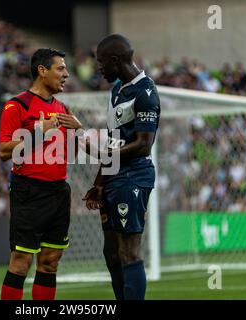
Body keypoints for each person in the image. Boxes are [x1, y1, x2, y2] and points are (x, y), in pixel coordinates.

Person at [80, 34, 161, 300]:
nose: (99, 69)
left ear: (115, 60)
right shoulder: (117, 91)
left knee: (128, 251)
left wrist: (104, 152)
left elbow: (143, 145)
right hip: (114, 177)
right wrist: (99, 182)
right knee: (111, 253)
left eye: (101, 63)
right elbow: (115, 140)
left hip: (134, 176)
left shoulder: (145, 92)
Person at [0, 48, 82, 300]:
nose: (66, 74)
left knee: (50, 261)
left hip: (58, 191)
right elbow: (3, 151)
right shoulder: (17, 105)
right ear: (42, 71)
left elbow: (73, 154)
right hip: (29, 190)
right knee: (22, 260)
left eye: (66, 69)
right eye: (60, 69)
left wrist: (78, 130)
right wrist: (38, 131)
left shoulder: (62, 107)